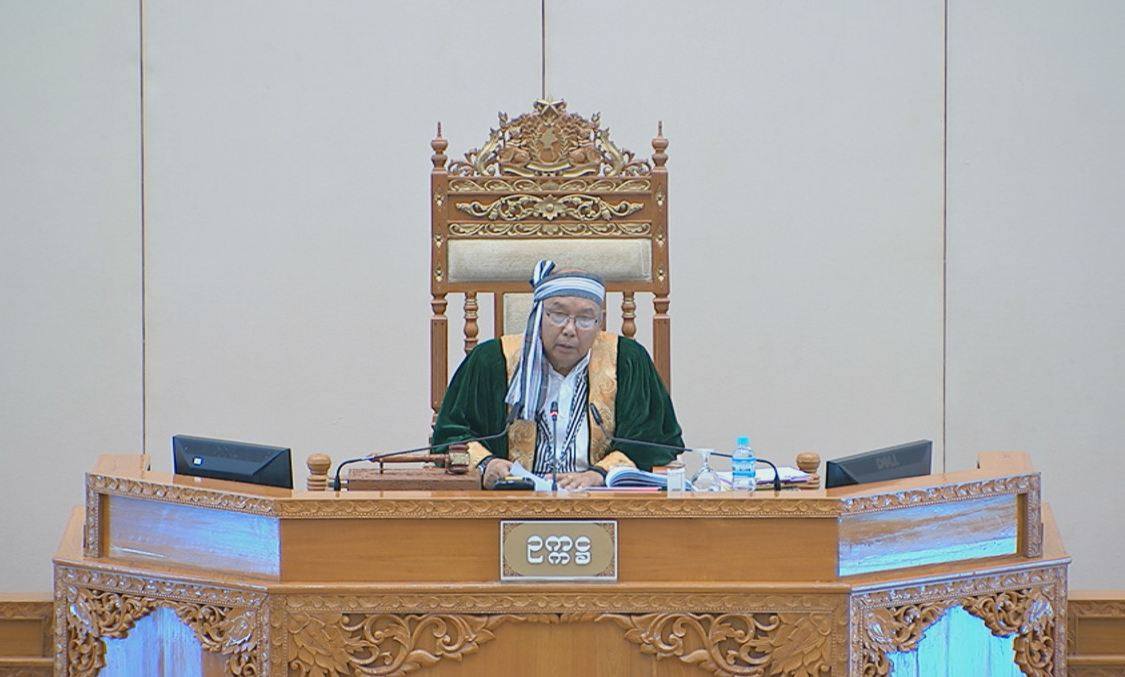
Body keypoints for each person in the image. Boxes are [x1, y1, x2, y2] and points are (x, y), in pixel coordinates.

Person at [432, 260, 684, 489]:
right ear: (538, 315)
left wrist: (599, 474)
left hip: (600, 498)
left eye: (585, 319)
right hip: (510, 500)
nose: (570, 329)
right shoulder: (492, 360)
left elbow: (656, 440)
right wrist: (487, 464)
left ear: (599, 323)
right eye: (559, 314)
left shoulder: (627, 360)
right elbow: (449, 436)